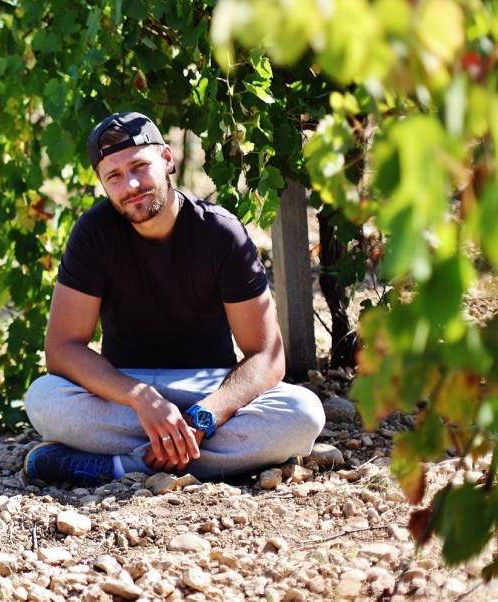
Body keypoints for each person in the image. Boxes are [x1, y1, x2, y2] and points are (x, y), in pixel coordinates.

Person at [23, 111, 325, 486]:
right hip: (125, 391)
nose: (130, 184)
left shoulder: (220, 232)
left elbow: (267, 356)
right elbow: (63, 349)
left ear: (167, 159)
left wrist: (206, 416)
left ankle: (121, 467)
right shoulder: (93, 234)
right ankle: (196, 458)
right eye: (113, 176)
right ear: (102, 184)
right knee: (43, 399)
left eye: (139, 166)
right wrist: (142, 399)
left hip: (210, 388)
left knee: (303, 413)